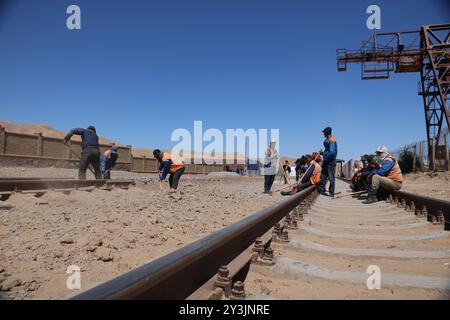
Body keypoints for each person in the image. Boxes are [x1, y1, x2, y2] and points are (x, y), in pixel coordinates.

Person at [319, 127, 337, 197]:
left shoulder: (332, 140)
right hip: (326, 160)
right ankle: (322, 190)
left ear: (326, 132)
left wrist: (325, 157)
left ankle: (331, 193)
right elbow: (328, 151)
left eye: (324, 132)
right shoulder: (327, 140)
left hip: (330, 161)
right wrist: (322, 153)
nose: (323, 134)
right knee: (323, 176)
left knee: (331, 177)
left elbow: (332, 152)